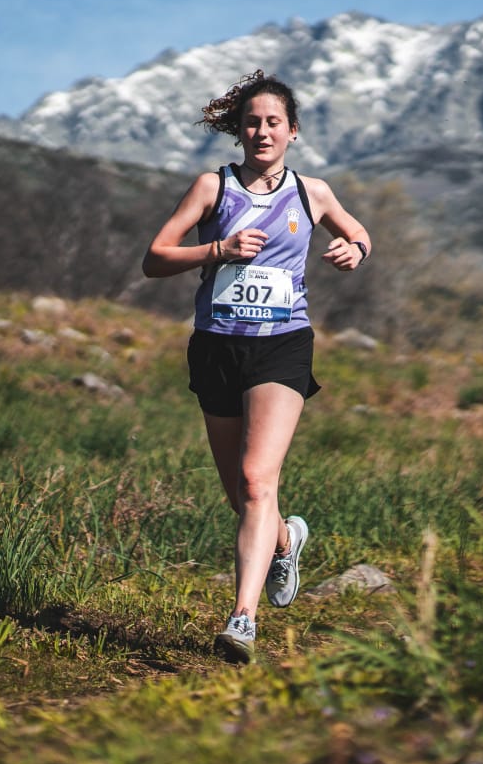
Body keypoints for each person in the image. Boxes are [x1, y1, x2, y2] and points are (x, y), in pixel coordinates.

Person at [141, 70, 371, 664]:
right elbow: (155, 258)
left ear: (292, 132)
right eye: (252, 121)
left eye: (274, 121)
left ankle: (242, 619)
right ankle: (286, 539)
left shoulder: (311, 192)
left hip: (282, 345)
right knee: (240, 497)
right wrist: (217, 249)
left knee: (254, 479)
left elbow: (358, 233)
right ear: (238, 130)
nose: (262, 130)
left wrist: (354, 250)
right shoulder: (211, 188)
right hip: (217, 346)